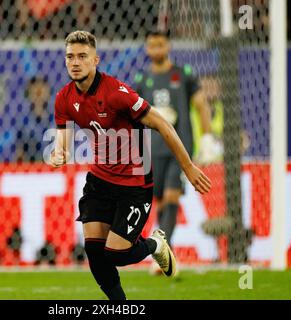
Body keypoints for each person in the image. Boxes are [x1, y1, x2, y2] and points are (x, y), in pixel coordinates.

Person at [49, 30, 211, 300]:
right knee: (94, 250)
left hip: (133, 183)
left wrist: (189, 167)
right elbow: (62, 144)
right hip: (100, 180)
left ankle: (155, 244)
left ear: (95, 60)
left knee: (117, 254)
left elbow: (162, 124)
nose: (75, 62)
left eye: (82, 56)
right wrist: (59, 154)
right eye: (70, 57)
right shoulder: (64, 98)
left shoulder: (116, 93)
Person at [133, 31, 218, 275]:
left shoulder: (184, 74)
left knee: (172, 196)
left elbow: (201, 104)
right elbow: (134, 113)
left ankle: (161, 252)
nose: (156, 49)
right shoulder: (143, 78)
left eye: (160, 44)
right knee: (159, 200)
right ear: (147, 49)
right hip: (152, 149)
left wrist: (208, 135)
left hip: (179, 149)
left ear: (168, 46)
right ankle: (165, 250)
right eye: (151, 45)